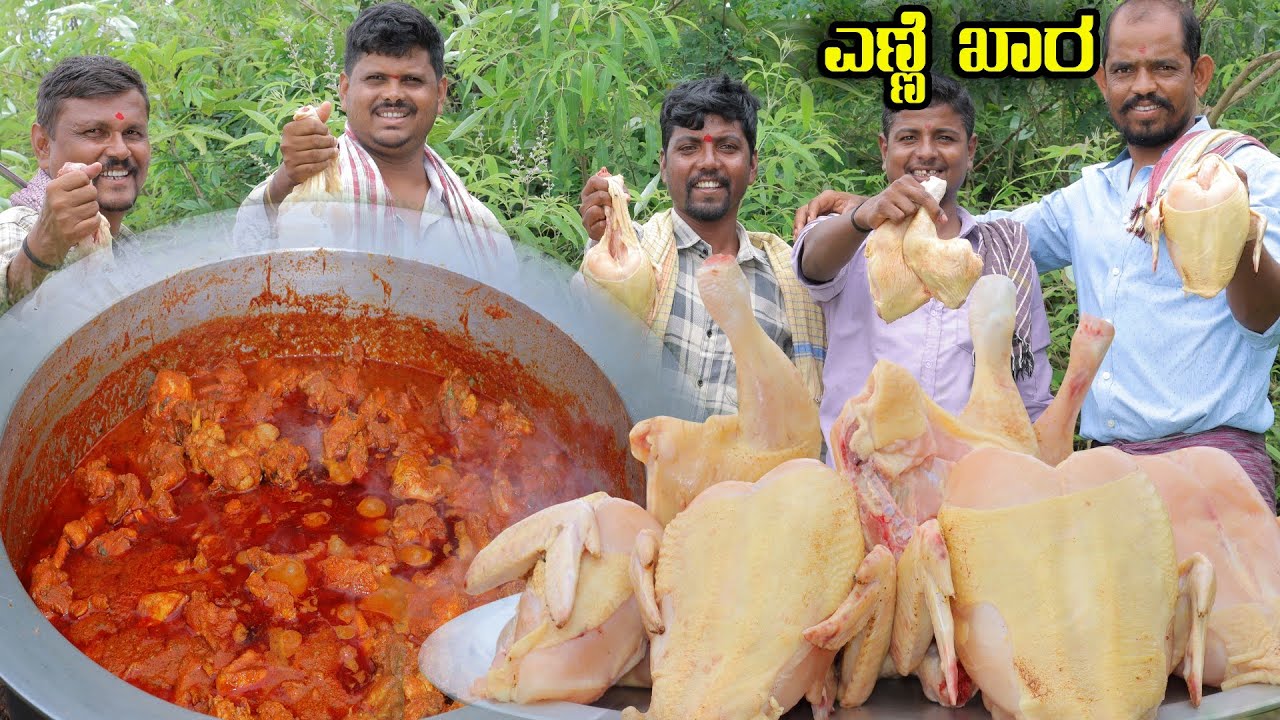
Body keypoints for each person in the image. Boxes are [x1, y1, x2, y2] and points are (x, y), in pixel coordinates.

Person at [983, 0, 1280, 506]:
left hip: (1214, 467)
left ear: (1200, 74)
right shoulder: (1089, 195)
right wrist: (875, 211)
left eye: (1164, 67)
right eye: (1125, 70)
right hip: (1105, 472)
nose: (1143, 85)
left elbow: (1264, 314)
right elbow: (988, 237)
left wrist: (1236, 225)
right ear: (1103, 82)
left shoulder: (1248, 172)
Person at [791, 72, 1053, 455]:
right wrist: (862, 216)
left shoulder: (1003, 253)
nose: (926, 152)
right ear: (884, 150)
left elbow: (1030, 399)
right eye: (909, 137)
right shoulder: (851, 237)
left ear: (971, 150)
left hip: (966, 487)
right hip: (861, 482)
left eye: (945, 137)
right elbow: (811, 262)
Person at [577, 75, 826, 419]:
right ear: (663, 165)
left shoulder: (788, 283)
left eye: (726, 146)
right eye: (689, 147)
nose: (708, 161)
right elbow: (577, 341)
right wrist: (602, 239)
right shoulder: (628, 257)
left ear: (752, 165)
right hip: (626, 468)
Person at [237, 2, 512, 266]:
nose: (393, 94)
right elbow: (246, 252)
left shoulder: (481, 229)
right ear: (345, 91)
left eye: (412, 80)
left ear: (440, 94)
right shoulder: (304, 201)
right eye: (376, 78)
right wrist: (287, 178)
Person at [0, 55, 151, 313]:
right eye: (94, 131)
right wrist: (41, 250)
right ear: (43, 146)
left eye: (132, 133)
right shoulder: (18, 226)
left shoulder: (126, 242)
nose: (120, 150)